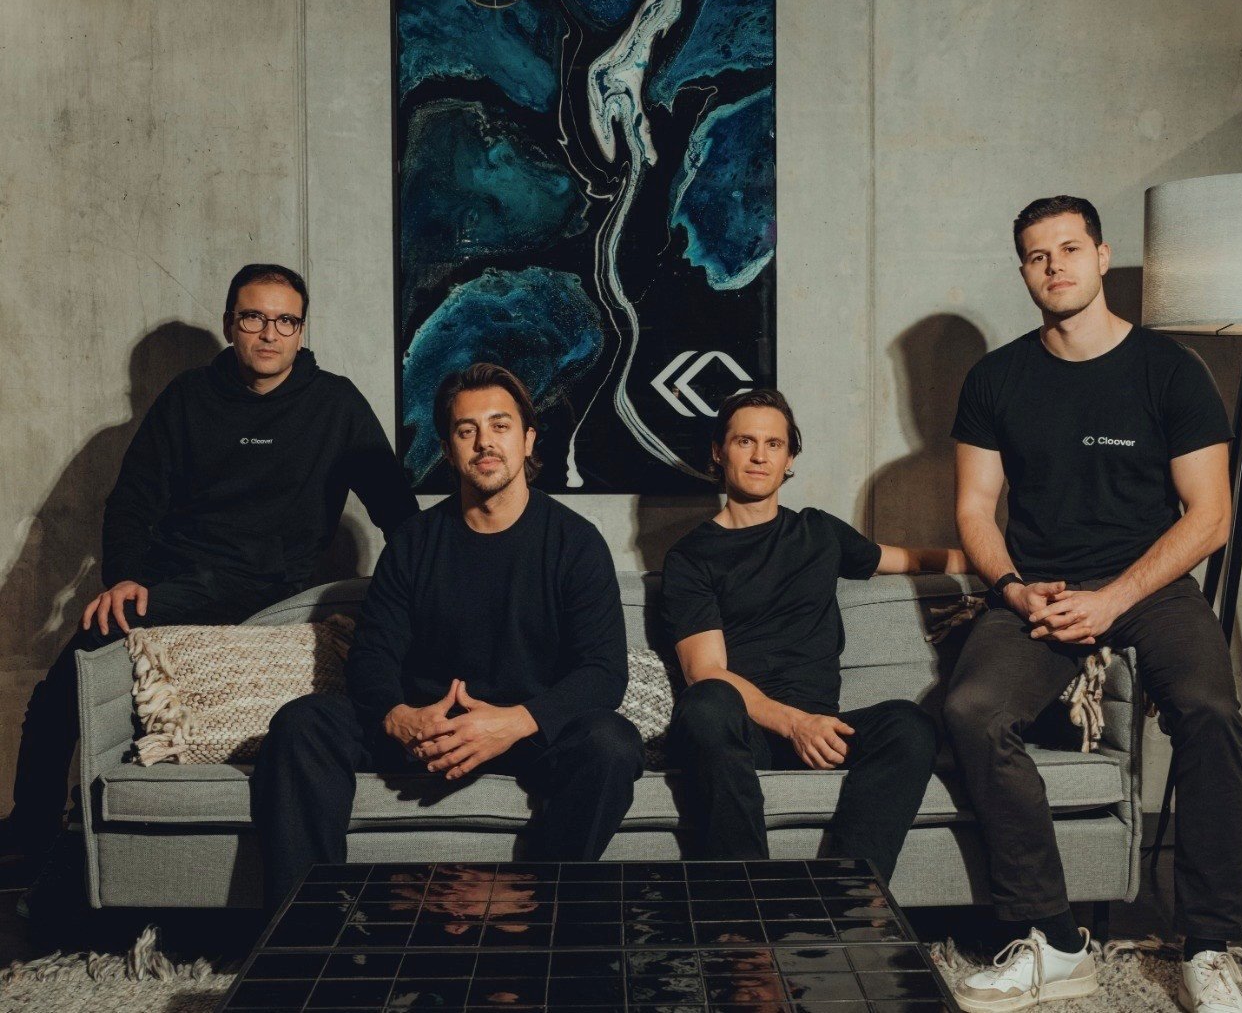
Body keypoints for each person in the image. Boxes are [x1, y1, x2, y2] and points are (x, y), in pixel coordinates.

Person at [3, 263, 418, 881]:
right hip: (179, 586)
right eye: (254, 318)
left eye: (286, 321)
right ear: (230, 324)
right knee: (65, 684)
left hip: (282, 594)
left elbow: (397, 510)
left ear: (301, 331)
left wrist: (422, 591)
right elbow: (132, 500)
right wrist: (124, 577)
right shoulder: (188, 398)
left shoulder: (335, 404)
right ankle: (32, 838)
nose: (269, 334)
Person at [945, 196, 1242, 1013]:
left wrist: (1114, 598)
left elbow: (1210, 516)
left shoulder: (1170, 370)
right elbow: (974, 508)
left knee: (1212, 711)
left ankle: (1209, 945)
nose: (1056, 266)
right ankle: (1055, 941)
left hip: (1149, 582)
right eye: (1038, 255)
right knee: (972, 710)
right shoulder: (996, 379)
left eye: (1070, 248)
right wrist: (1013, 587)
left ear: (1102, 256)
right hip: (1040, 588)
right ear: (1023, 270)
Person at [250, 362, 643, 911]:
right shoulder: (413, 543)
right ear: (448, 449)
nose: (485, 442)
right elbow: (372, 658)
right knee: (303, 723)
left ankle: (535, 912)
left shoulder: (575, 543)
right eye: (466, 430)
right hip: (424, 732)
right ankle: (306, 934)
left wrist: (514, 722)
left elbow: (603, 673)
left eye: (500, 425)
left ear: (529, 439)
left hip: (525, 736)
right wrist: (398, 716)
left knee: (611, 743)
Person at [661, 388, 965, 880]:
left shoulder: (818, 532)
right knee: (706, 703)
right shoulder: (692, 557)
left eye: (774, 444)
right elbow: (706, 671)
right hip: (746, 733)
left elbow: (914, 559)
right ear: (718, 452)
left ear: (789, 459)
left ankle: (849, 894)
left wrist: (1004, 568)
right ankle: (742, 900)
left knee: (909, 725)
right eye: (744, 441)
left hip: (824, 734)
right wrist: (795, 724)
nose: (760, 456)